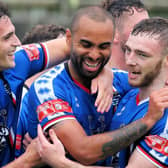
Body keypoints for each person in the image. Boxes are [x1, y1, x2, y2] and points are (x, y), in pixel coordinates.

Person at [17, 5, 163, 167]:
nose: (94, 55)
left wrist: (106, 72)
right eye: (86, 45)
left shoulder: (122, 82)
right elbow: (84, 151)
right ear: (69, 39)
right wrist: (147, 121)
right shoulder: (48, 88)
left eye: (103, 47)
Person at [109, 17, 168, 167]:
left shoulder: (165, 117)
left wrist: (62, 163)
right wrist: (103, 74)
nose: (129, 61)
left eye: (142, 55)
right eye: (127, 50)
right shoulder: (127, 92)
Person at [102, 0, 149, 70]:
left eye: (149, 26)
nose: (148, 33)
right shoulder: (92, 77)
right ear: (114, 33)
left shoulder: (154, 77)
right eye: (139, 28)